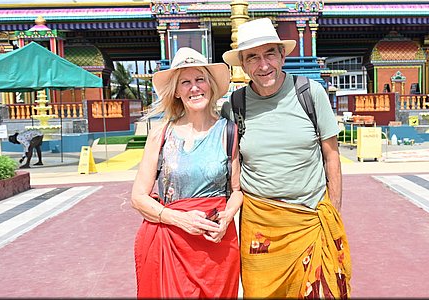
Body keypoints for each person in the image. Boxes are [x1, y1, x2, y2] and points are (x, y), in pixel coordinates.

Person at [221, 18, 351, 298]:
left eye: (270, 54)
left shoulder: (310, 93)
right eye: (252, 57)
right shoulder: (235, 106)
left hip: (310, 218)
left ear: (282, 55)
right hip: (260, 225)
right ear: (243, 64)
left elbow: (332, 156)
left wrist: (333, 212)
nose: (263, 65)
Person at [128, 47, 241, 298]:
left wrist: (228, 217)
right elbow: (138, 197)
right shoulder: (161, 134)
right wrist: (179, 219)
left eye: (200, 79)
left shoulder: (229, 131)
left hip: (217, 244)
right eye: (185, 82)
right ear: (177, 92)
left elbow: (236, 190)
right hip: (172, 242)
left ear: (210, 86)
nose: (194, 88)